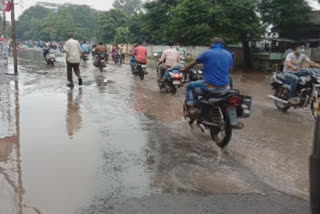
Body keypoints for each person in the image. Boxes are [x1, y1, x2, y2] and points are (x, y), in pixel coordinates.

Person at [182, 37, 233, 119]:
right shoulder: (228, 54)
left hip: (209, 87)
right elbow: (230, 70)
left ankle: (192, 108)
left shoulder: (207, 53)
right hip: (226, 88)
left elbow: (193, 63)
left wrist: (184, 70)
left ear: (212, 44)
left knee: (190, 85)